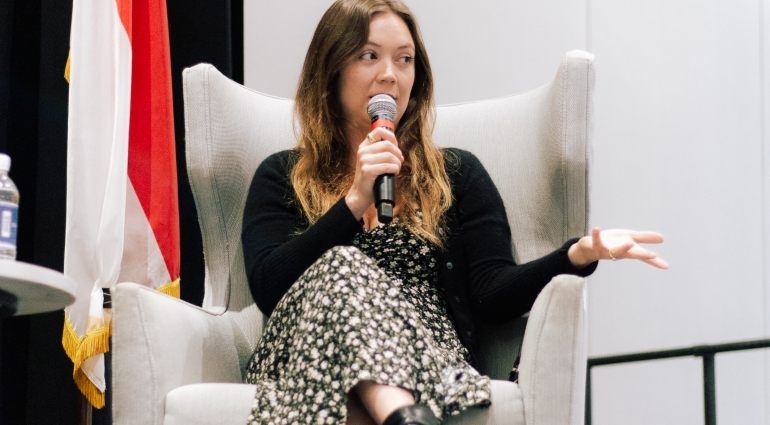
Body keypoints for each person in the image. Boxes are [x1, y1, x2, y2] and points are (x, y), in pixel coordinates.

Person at [241, 0, 668, 424]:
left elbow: (491, 293)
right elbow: (269, 287)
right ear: (331, 69)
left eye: (404, 59)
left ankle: (398, 414)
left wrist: (575, 255)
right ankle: (403, 416)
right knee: (342, 266)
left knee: (345, 394)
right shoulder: (282, 176)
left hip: (426, 356)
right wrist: (354, 202)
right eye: (369, 55)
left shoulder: (456, 174)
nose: (390, 74)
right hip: (308, 356)